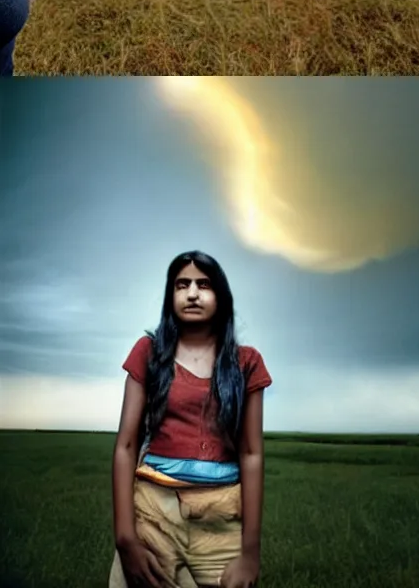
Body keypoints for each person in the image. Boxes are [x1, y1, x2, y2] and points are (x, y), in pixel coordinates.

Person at [110, 252, 270, 588]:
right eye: (182, 285)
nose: (193, 293)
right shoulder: (149, 352)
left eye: (204, 285)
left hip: (221, 517)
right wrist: (126, 538)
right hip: (154, 512)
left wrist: (251, 554)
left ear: (221, 297)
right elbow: (126, 445)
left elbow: (252, 454)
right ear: (171, 295)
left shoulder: (246, 362)